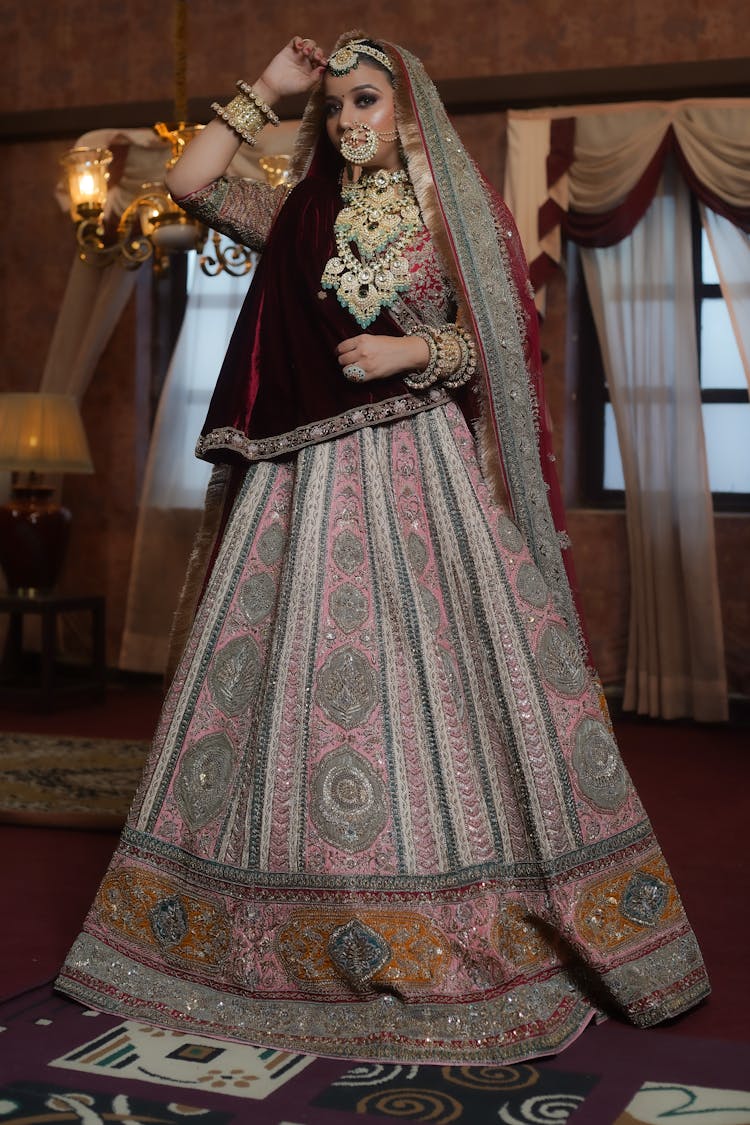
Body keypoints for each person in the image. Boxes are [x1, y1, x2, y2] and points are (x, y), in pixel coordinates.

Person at [57, 32, 709, 1065]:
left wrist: (420, 347)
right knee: (296, 678)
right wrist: (269, 89)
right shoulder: (295, 211)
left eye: (367, 102)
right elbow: (188, 180)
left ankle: (464, 902)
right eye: (337, 109)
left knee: (440, 678)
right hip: (302, 484)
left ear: (409, 112)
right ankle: (273, 907)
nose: (350, 121)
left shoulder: (455, 218)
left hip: (421, 470)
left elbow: (503, 339)